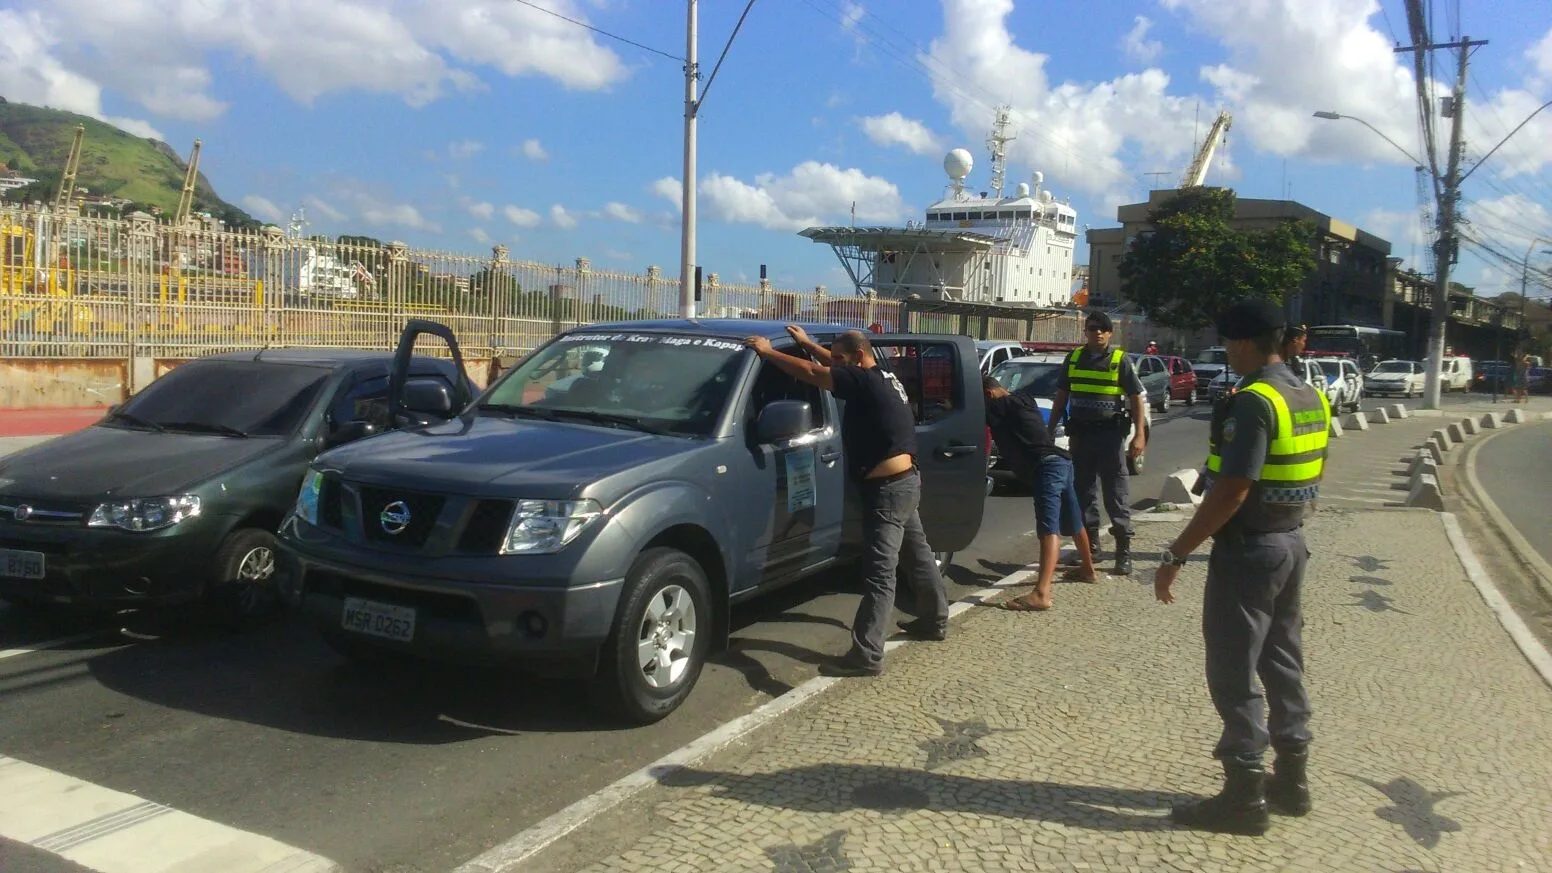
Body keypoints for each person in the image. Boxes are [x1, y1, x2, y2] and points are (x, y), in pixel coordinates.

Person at [1153, 297, 1331, 836]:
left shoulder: (1255, 400)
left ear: (1247, 343)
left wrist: (1176, 552)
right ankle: (1292, 781)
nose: (1227, 352)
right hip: (1291, 541)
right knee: (1282, 661)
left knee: (1233, 668)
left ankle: (1244, 795)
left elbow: (1231, 489)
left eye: (1230, 343)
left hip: (1250, 550)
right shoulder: (1309, 394)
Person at [743, 326, 950, 677]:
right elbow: (832, 366)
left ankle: (867, 654)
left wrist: (768, 353)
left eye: (840, 359)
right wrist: (809, 344)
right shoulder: (880, 374)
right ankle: (935, 619)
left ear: (857, 357)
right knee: (918, 554)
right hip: (905, 482)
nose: (835, 364)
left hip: (888, 490)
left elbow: (812, 373)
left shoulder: (863, 381)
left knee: (880, 574)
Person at [983, 375, 1098, 611]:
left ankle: (1042, 593)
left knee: (1048, 527)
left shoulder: (998, 407)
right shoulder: (1023, 399)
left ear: (988, 395)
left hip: (1046, 467)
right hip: (1061, 462)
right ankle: (1088, 570)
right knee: (1074, 520)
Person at [1051, 311, 1147, 575]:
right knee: (1083, 493)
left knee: (1116, 493)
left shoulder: (1120, 360)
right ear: (1086, 332)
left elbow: (1136, 397)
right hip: (1081, 436)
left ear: (1110, 333)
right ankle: (1090, 548)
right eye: (1093, 329)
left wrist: (1139, 434)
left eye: (1103, 329)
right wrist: (1049, 429)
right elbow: (1061, 395)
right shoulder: (1073, 360)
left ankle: (1123, 552)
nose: (1098, 333)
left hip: (1109, 436)